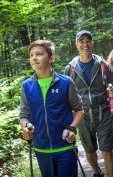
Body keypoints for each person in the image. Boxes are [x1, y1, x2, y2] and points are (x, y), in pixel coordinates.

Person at [19, 40, 84, 177]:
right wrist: (25, 128)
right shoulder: (26, 86)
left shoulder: (65, 82)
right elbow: (24, 115)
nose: (34, 58)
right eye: (31, 55)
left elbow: (79, 109)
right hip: (41, 149)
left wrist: (72, 128)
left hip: (65, 146)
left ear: (51, 58)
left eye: (39, 54)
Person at [65, 30, 113, 177]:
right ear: (76, 44)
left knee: (107, 150)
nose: (85, 44)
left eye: (88, 40)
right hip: (83, 115)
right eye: (81, 41)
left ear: (92, 43)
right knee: (89, 150)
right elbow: (66, 96)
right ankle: (97, 172)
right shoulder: (70, 68)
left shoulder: (102, 64)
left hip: (103, 111)